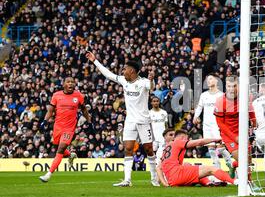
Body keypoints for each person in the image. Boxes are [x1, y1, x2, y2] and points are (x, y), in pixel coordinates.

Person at [86, 50, 156, 187]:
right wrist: (95, 61)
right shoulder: (124, 81)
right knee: (128, 149)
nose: (122, 71)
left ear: (132, 71)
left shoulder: (144, 82)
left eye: (125, 69)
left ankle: (154, 179)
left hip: (143, 121)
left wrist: (152, 80)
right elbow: (108, 74)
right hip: (130, 121)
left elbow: (151, 87)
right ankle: (127, 180)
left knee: (149, 149)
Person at [39, 77, 91, 183]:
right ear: (64, 84)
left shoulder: (78, 96)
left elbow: (84, 110)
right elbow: (50, 110)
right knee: (57, 145)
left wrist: (89, 121)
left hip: (69, 128)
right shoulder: (56, 95)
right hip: (57, 127)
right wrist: (44, 121)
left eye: (72, 82)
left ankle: (48, 174)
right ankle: (71, 155)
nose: (71, 84)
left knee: (61, 149)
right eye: (68, 82)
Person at [214, 75, 258, 189]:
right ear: (225, 86)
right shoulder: (220, 102)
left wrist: (254, 122)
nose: (231, 89)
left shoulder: (245, 97)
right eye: (229, 86)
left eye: (234, 86)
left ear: (238, 86)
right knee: (243, 159)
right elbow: (220, 124)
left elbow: (251, 110)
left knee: (248, 160)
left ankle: (232, 165)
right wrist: (234, 137)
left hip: (242, 132)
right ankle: (249, 183)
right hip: (228, 134)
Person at [156, 129, 238, 187]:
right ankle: (235, 181)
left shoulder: (166, 149)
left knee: (187, 165)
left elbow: (159, 168)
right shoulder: (178, 142)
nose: (187, 140)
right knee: (210, 169)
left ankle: (208, 183)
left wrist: (165, 183)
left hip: (172, 180)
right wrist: (214, 140)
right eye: (186, 138)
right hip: (177, 174)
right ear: (182, 137)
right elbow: (199, 142)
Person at [193, 74, 234, 173]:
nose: (208, 81)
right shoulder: (204, 95)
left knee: (220, 148)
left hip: (218, 125)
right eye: (207, 79)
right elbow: (199, 107)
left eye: (210, 79)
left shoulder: (221, 95)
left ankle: (231, 166)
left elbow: (227, 110)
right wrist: (195, 116)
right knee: (211, 149)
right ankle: (218, 172)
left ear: (216, 81)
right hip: (206, 125)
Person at [149, 96, 168, 185]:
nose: (156, 103)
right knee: (153, 159)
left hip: (162, 140)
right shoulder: (148, 113)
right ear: (151, 103)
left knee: (160, 159)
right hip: (153, 139)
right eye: (154, 101)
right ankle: (154, 177)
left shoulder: (164, 113)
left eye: (157, 101)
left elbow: (166, 126)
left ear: (159, 102)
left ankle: (158, 179)